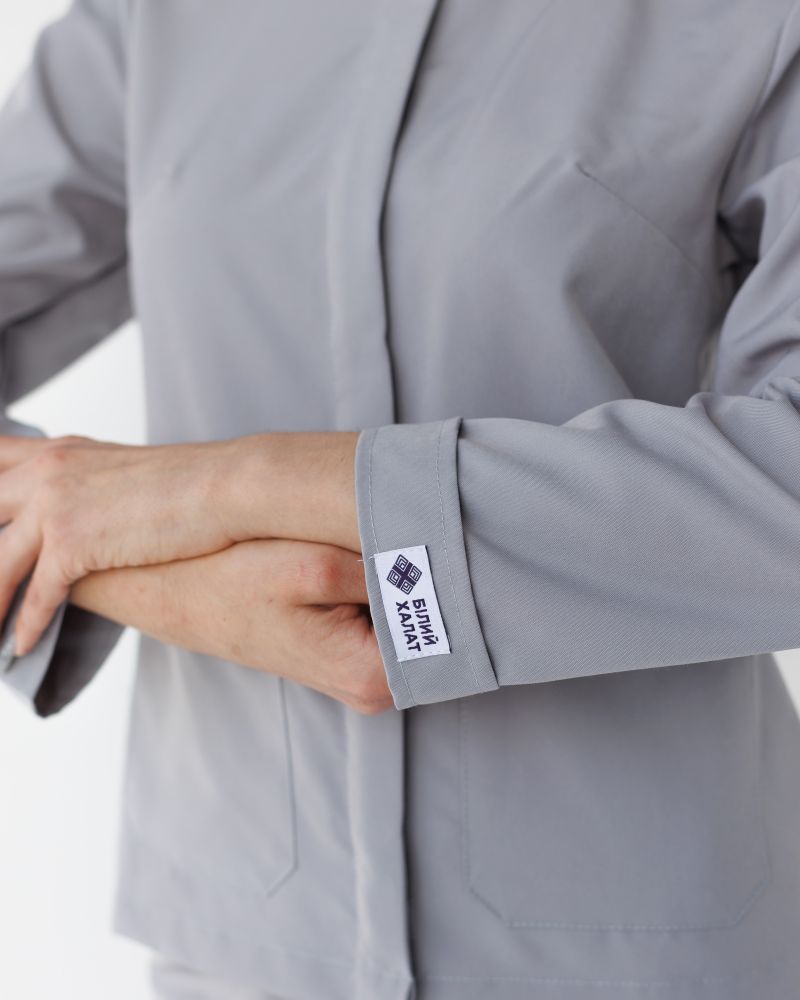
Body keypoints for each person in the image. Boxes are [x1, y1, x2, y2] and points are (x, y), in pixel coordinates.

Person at [3, 0, 800, 997]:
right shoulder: (156, 17)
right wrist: (165, 585)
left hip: (642, 948)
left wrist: (232, 487)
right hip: (237, 944)